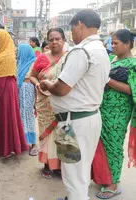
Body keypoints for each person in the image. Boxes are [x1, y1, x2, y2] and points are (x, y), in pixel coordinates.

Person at [39, 9, 110, 200]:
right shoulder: (101, 50)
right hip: (88, 118)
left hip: (72, 123)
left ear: (79, 24)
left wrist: (47, 84)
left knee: (72, 172)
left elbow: (62, 88)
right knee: (81, 168)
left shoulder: (82, 51)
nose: (72, 34)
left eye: (72, 29)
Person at [92, 29, 136, 199]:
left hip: (118, 112)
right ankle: (103, 176)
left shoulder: (133, 64)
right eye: (112, 42)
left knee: (113, 145)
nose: (113, 46)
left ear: (128, 44)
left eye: (116, 43)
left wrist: (108, 80)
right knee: (100, 142)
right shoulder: (111, 59)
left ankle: (113, 183)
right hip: (102, 107)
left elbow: (132, 90)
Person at [30, 28, 67, 179]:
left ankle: (60, 166)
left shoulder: (69, 58)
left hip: (64, 103)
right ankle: (47, 164)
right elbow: (32, 76)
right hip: (45, 102)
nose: (54, 42)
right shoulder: (42, 58)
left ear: (64, 40)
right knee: (47, 134)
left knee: (63, 133)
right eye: (51, 39)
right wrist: (38, 85)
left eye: (57, 39)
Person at [0, 29, 29, 160]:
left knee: (3, 118)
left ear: (3, 40)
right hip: (3, 86)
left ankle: (4, 150)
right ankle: (8, 146)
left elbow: (0, 76)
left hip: (4, 88)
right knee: (5, 117)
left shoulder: (6, 56)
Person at [16, 44, 37, 156]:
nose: (17, 53)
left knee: (28, 116)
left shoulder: (33, 63)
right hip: (20, 92)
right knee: (20, 115)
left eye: (19, 51)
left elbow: (36, 79)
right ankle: (24, 142)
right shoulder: (19, 63)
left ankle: (34, 144)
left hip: (28, 91)